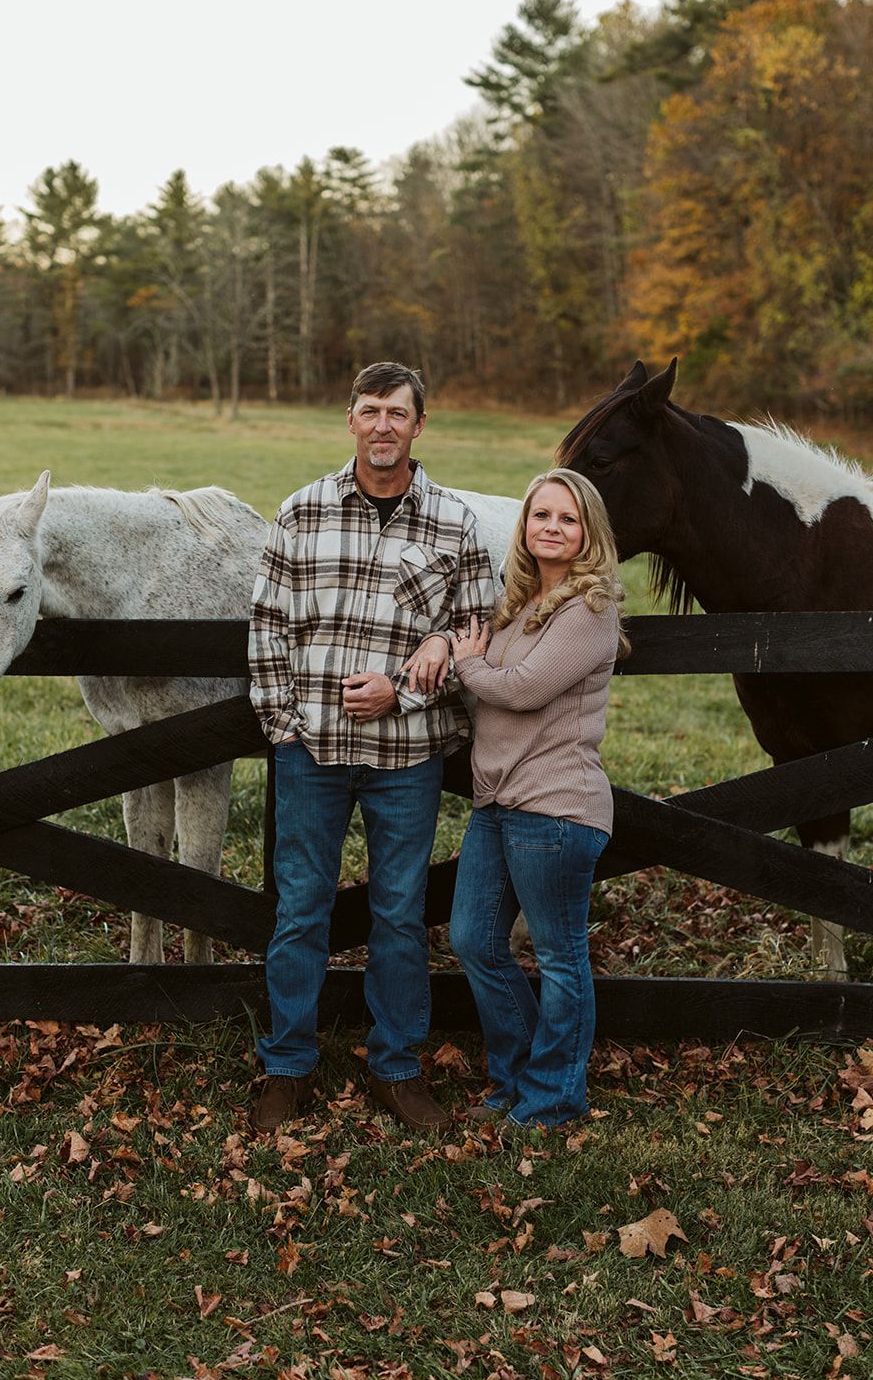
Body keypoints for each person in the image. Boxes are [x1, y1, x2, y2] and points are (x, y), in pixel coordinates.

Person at [247, 362, 494, 1134]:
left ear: (419, 426)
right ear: (349, 421)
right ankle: (287, 1067)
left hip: (409, 758)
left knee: (397, 914)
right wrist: (284, 726)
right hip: (310, 753)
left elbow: (477, 642)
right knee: (299, 911)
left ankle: (395, 1066)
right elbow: (266, 630)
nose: (382, 424)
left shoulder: (454, 524)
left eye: (397, 412)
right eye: (368, 411)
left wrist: (407, 688)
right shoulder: (300, 511)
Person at [443, 467, 628, 1130]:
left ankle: (553, 1098)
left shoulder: (590, 608)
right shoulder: (521, 604)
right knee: (472, 940)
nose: (551, 527)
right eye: (540, 515)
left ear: (588, 534)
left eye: (567, 519)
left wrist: (468, 663)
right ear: (524, 526)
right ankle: (518, 1075)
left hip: (555, 805)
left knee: (558, 956)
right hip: (497, 803)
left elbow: (518, 687)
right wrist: (457, 648)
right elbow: (482, 657)